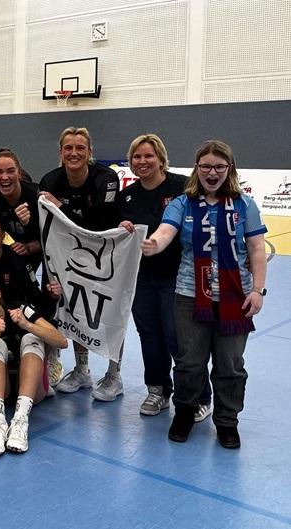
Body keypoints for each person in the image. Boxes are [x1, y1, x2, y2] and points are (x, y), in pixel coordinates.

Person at [142, 140, 267, 449]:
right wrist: (151, 245)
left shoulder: (244, 205)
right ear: (196, 169)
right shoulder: (183, 203)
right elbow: (165, 233)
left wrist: (257, 290)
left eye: (219, 167)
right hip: (189, 296)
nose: (213, 173)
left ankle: (227, 421)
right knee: (189, 363)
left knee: (230, 365)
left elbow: (256, 249)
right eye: (206, 166)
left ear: (230, 169)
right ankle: (184, 410)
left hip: (235, 297)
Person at [118, 134, 213, 417]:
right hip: (141, 278)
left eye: (149, 156)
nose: (143, 161)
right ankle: (157, 390)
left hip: (178, 278)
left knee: (178, 339)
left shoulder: (183, 188)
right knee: (149, 335)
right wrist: (122, 226)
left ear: (161, 158)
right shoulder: (127, 196)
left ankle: (199, 396)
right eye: (137, 157)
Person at [39, 127, 122, 400]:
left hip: (105, 260)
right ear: (60, 153)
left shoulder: (107, 178)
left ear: (89, 152)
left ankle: (114, 375)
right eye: (68, 148)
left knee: (110, 316)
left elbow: (98, 223)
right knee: (75, 313)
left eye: (80, 148)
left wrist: (61, 209)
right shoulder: (50, 180)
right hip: (70, 259)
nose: (74, 153)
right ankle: (82, 370)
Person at [0, 277, 68, 456]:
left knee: (31, 337)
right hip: (1, 390)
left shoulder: (20, 309)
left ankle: (20, 420)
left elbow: (61, 341)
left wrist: (27, 324)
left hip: (32, 389)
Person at [0, 149, 41, 270]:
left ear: (19, 173)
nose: (4, 177)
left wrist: (30, 246)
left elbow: (55, 238)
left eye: (10, 171)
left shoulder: (36, 196)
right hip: (16, 249)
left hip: (42, 250)